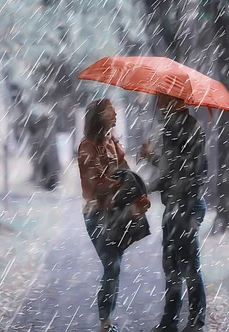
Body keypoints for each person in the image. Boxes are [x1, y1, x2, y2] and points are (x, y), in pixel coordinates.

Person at [78, 98, 151, 332]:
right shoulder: (87, 146)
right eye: (111, 111)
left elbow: (126, 171)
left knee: (115, 264)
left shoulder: (112, 141)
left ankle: (106, 320)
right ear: (99, 116)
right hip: (97, 213)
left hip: (115, 211)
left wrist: (138, 194)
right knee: (112, 265)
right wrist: (120, 186)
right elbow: (97, 184)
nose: (116, 115)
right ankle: (105, 322)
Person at [141, 94, 208, 332]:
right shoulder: (172, 126)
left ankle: (195, 323)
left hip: (186, 206)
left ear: (173, 100)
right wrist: (151, 161)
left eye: (160, 98)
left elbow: (182, 171)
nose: (157, 102)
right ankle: (169, 323)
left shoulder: (184, 127)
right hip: (175, 206)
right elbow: (171, 169)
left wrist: (149, 183)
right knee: (171, 267)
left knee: (188, 266)